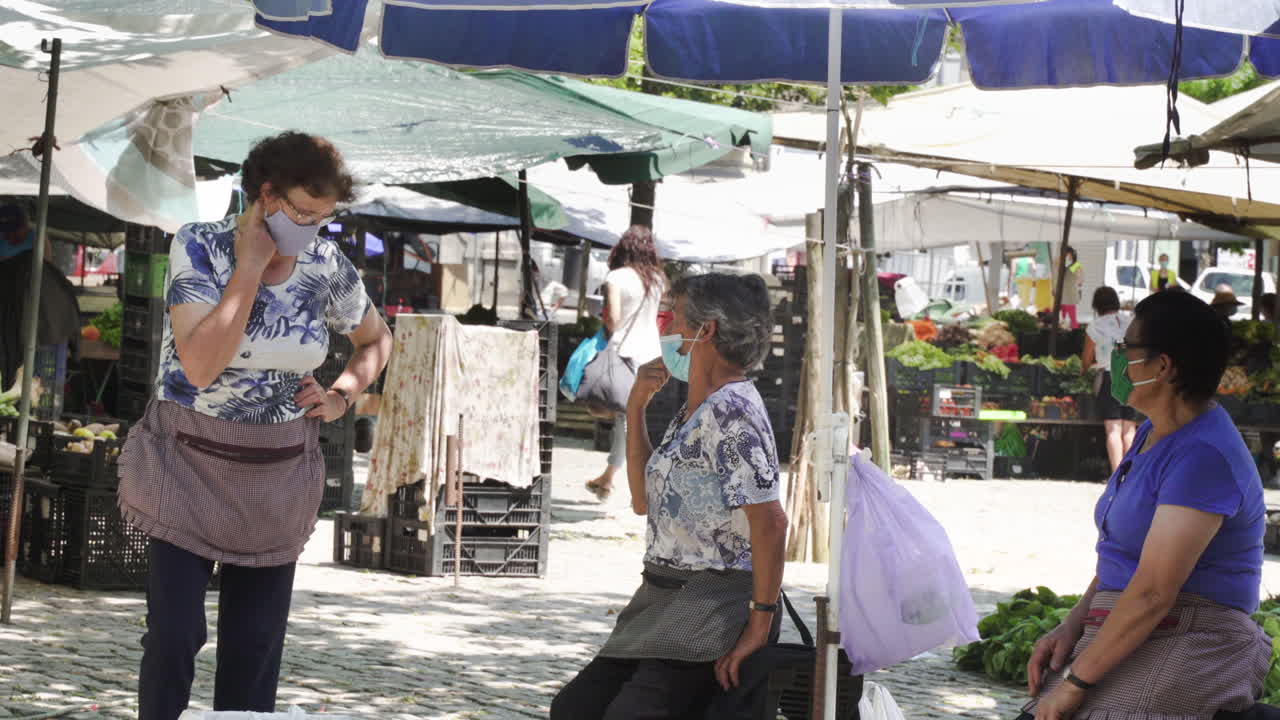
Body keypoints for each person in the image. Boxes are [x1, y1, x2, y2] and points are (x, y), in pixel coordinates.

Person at [116, 131, 393, 719]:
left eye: (325, 217)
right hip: (184, 465)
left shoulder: (326, 265)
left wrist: (343, 394)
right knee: (173, 633)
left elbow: (374, 338)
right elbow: (200, 362)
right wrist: (249, 265)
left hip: (278, 474)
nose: (314, 227)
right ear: (266, 195)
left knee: (255, 646)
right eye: (303, 212)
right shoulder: (200, 246)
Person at [1023, 291, 1269, 720]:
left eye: (1126, 349)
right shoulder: (1153, 433)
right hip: (1134, 624)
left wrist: (1077, 683)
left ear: (1163, 366)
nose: (1117, 358)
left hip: (1195, 637)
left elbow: (1155, 591)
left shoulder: (1204, 455)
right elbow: (1124, 554)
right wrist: (1073, 623)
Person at [551, 272, 788, 720]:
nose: (664, 325)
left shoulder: (733, 412)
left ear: (706, 329)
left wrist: (758, 624)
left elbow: (771, 522)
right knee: (574, 709)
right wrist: (636, 405)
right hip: (658, 595)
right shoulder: (696, 409)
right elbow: (643, 501)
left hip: (712, 603)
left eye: (673, 314)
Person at [585, 226, 665, 501]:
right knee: (630, 419)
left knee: (627, 420)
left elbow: (613, 318)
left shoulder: (616, 276)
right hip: (652, 355)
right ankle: (609, 478)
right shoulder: (656, 279)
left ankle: (638, 485)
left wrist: (605, 329)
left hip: (626, 354)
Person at [1081, 287, 1138, 474]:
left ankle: (1116, 474)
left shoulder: (1095, 326)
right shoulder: (1131, 322)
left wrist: (1084, 369)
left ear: (1097, 305)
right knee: (1129, 429)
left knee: (1113, 429)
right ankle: (1130, 475)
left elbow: (1087, 357)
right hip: (1132, 377)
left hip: (1110, 375)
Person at [1059, 246, 1083, 329]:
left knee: (1072, 317)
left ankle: (1075, 332)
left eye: (1066, 254)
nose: (1064, 255)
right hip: (1065, 294)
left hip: (1070, 294)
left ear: (1070, 254)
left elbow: (1080, 280)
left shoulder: (1076, 265)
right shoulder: (1069, 265)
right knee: (1063, 315)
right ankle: (1064, 329)